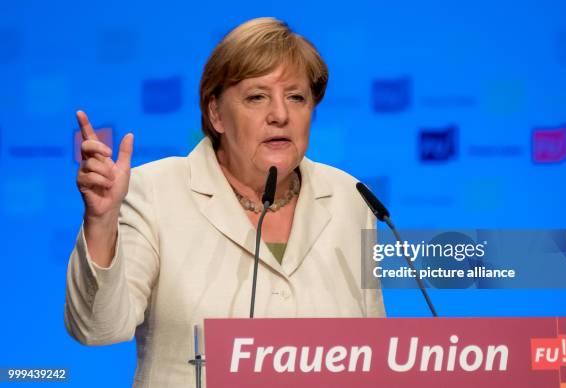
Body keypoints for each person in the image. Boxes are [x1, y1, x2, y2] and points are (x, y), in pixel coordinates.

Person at [65, 17, 385, 387]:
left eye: (296, 97)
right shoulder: (153, 191)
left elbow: (369, 351)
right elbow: (98, 329)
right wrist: (101, 222)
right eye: (257, 97)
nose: (280, 114)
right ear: (216, 113)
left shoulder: (350, 198)